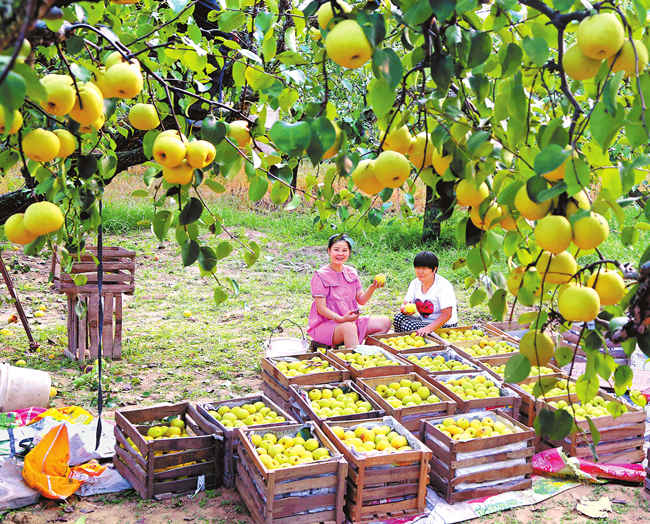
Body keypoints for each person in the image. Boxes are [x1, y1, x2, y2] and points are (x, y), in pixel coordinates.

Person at [308, 234, 391, 348]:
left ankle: (366, 352)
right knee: (349, 328)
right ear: (329, 251)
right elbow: (321, 309)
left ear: (349, 253)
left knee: (385, 322)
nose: (340, 254)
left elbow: (361, 300)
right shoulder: (321, 275)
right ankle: (354, 360)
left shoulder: (351, 272)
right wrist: (341, 319)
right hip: (326, 325)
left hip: (350, 321)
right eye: (336, 250)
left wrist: (372, 288)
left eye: (344, 250)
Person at [393, 251, 458, 335]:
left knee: (410, 325)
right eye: (417, 268)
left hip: (444, 325)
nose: (420, 271)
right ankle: (404, 342)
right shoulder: (415, 283)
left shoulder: (443, 285)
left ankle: (422, 343)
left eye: (424, 269)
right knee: (399, 317)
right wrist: (404, 309)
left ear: (434, 269)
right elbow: (406, 303)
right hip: (424, 322)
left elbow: (447, 314)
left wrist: (428, 328)